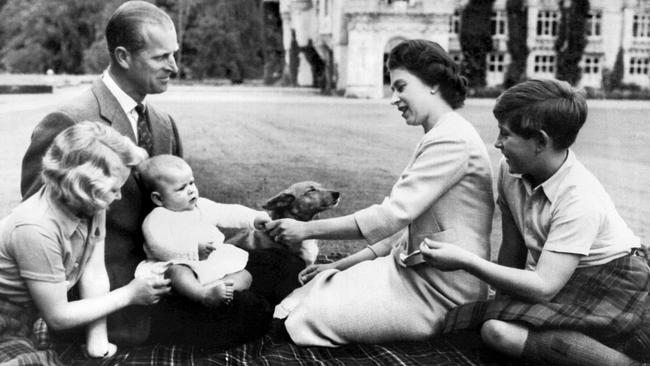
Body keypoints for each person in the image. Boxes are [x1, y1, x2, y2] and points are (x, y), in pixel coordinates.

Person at [265, 39, 495, 346]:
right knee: (310, 291)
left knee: (303, 319)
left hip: (442, 294)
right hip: (408, 274)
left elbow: (389, 217)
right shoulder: (440, 134)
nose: (394, 98)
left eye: (401, 87)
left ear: (434, 85)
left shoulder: (452, 140)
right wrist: (339, 264)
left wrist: (306, 229)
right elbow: (398, 232)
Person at [424, 79, 650, 365]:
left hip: (614, 279)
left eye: (505, 134)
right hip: (560, 277)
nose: (496, 143)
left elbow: (544, 286)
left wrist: (467, 261)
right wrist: (501, 302)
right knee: (479, 323)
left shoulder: (580, 198)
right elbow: (513, 249)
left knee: (497, 331)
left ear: (541, 142)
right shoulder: (510, 170)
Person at [20, 1, 182, 344]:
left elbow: (180, 208)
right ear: (123, 56)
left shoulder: (165, 125)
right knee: (244, 313)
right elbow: (42, 227)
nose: (174, 67)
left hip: (165, 274)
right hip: (98, 298)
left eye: (174, 54)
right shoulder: (69, 121)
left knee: (268, 276)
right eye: (161, 57)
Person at [0, 122, 170, 364]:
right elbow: (57, 316)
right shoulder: (35, 228)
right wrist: (130, 294)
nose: (119, 196)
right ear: (82, 188)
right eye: (114, 190)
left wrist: (97, 339)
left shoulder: (91, 203)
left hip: (27, 316)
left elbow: (94, 272)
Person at [136, 154, 271, 307]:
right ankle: (203, 295)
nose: (191, 191)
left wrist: (253, 218)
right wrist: (193, 251)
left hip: (209, 262)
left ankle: (220, 289)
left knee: (245, 276)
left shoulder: (201, 206)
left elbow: (227, 212)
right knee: (177, 272)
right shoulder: (158, 218)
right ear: (158, 199)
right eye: (181, 188)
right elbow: (158, 246)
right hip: (180, 262)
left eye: (191, 183)